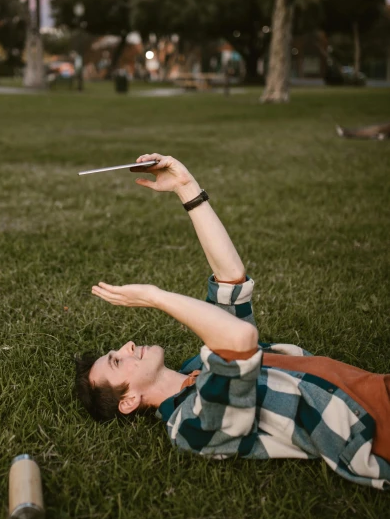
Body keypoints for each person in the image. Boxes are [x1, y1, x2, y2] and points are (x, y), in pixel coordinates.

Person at [75, 154, 390, 490]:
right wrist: (155, 296)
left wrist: (186, 188)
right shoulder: (190, 426)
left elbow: (231, 280)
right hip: (377, 433)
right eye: (117, 360)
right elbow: (240, 338)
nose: (128, 346)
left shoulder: (200, 364)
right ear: (129, 401)